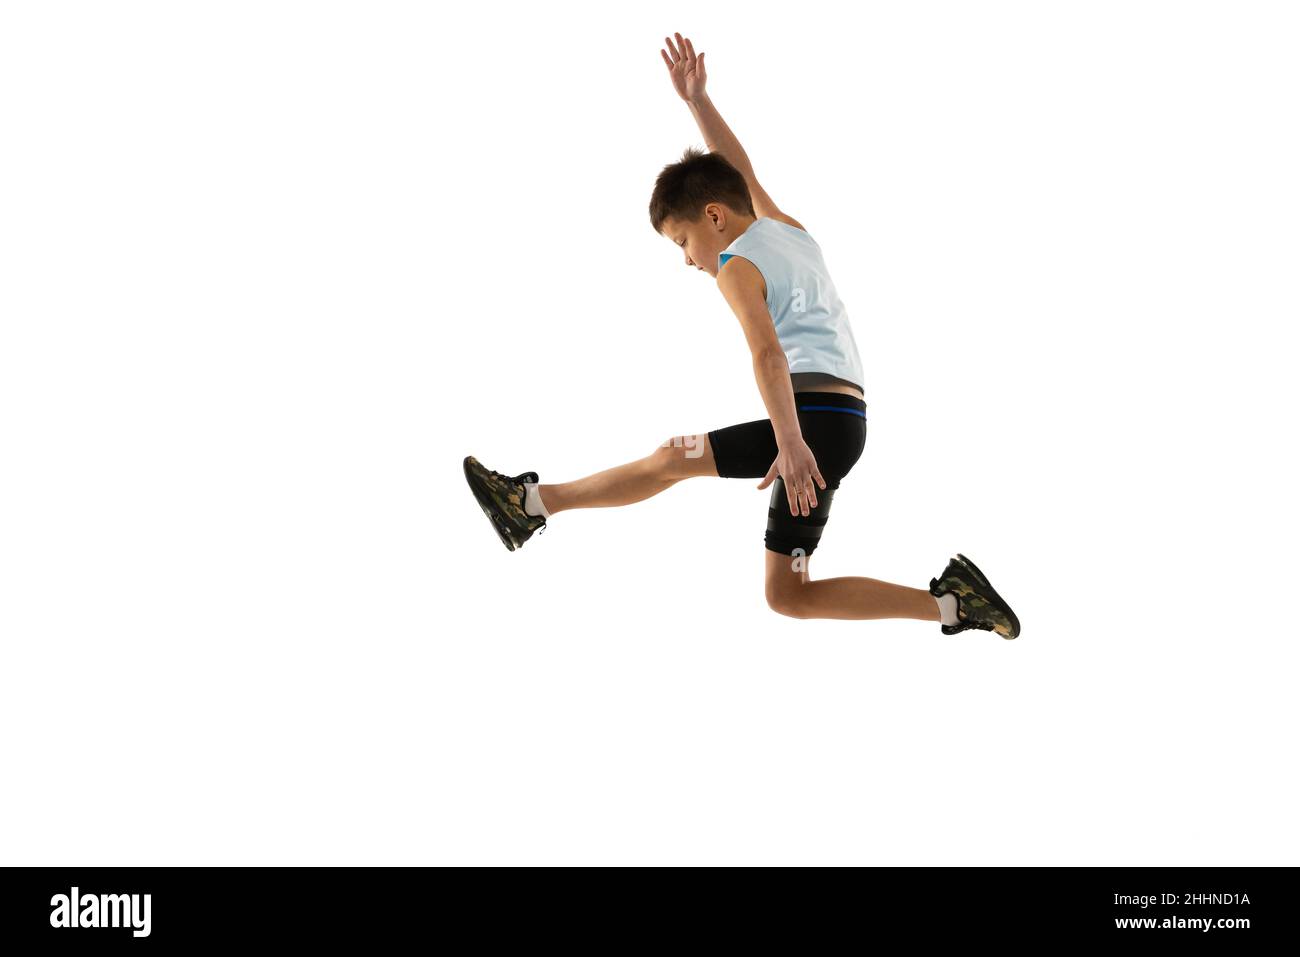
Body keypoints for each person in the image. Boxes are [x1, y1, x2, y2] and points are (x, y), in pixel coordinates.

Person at [463, 31, 1019, 639]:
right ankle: (953, 606)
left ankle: (530, 505)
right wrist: (698, 102)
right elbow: (737, 172)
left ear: (712, 218)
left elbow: (767, 355)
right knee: (788, 594)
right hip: (844, 421)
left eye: (682, 242)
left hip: (811, 423)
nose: (687, 260)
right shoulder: (788, 229)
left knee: (674, 458)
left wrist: (792, 443)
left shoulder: (737, 268)